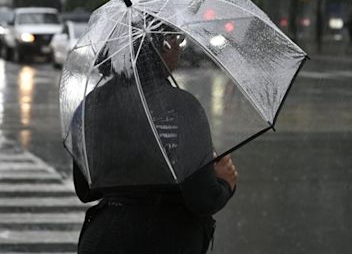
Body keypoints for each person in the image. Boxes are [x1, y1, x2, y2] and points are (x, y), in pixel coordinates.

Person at [74, 23, 238, 254]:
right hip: (166, 239)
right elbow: (202, 198)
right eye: (176, 38)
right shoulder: (182, 107)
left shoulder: (91, 105)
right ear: (163, 46)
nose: (179, 46)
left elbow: (85, 189)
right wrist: (224, 183)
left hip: (104, 239)